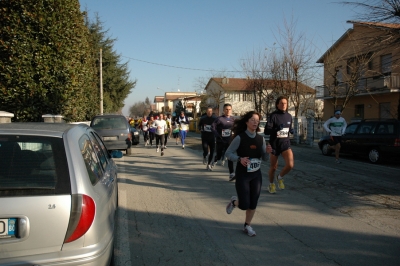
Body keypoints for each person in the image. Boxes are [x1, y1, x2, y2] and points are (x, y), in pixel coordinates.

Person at [225, 111, 272, 237]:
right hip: (243, 175)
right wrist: (240, 159)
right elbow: (228, 153)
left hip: (256, 175)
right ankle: (234, 202)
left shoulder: (260, 139)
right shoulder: (240, 138)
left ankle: (247, 225)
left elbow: (265, 159)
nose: (255, 122)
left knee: (253, 202)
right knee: (244, 204)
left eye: (257, 120)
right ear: (246, 122)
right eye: (253, 120)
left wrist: (267, 152)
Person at [264, 96, 294, 194]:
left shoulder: (289, 116)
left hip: (285, 143)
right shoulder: (273, 116)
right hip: (274, 145)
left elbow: (288, 129)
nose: (283, 105)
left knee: (290, 165)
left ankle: (280, 177)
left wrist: (291, 130)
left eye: (285, 103)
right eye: (281, 103)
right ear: (277, 104)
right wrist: (276, 129)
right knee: (273, 167)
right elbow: (266, 131)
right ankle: (271, 184)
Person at [211, 103, 235, 181]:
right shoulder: (219, 119)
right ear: (224, 110)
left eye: (229, 109)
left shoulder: (233, 119)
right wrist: (217, 135)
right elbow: (213, 127)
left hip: (229, 141)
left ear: (231, 110)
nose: (228, 111)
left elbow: (236, 128)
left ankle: (231, 174)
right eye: (226, 109)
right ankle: (215, 159)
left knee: (230, 156)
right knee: (219, 155)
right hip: (220, 140)